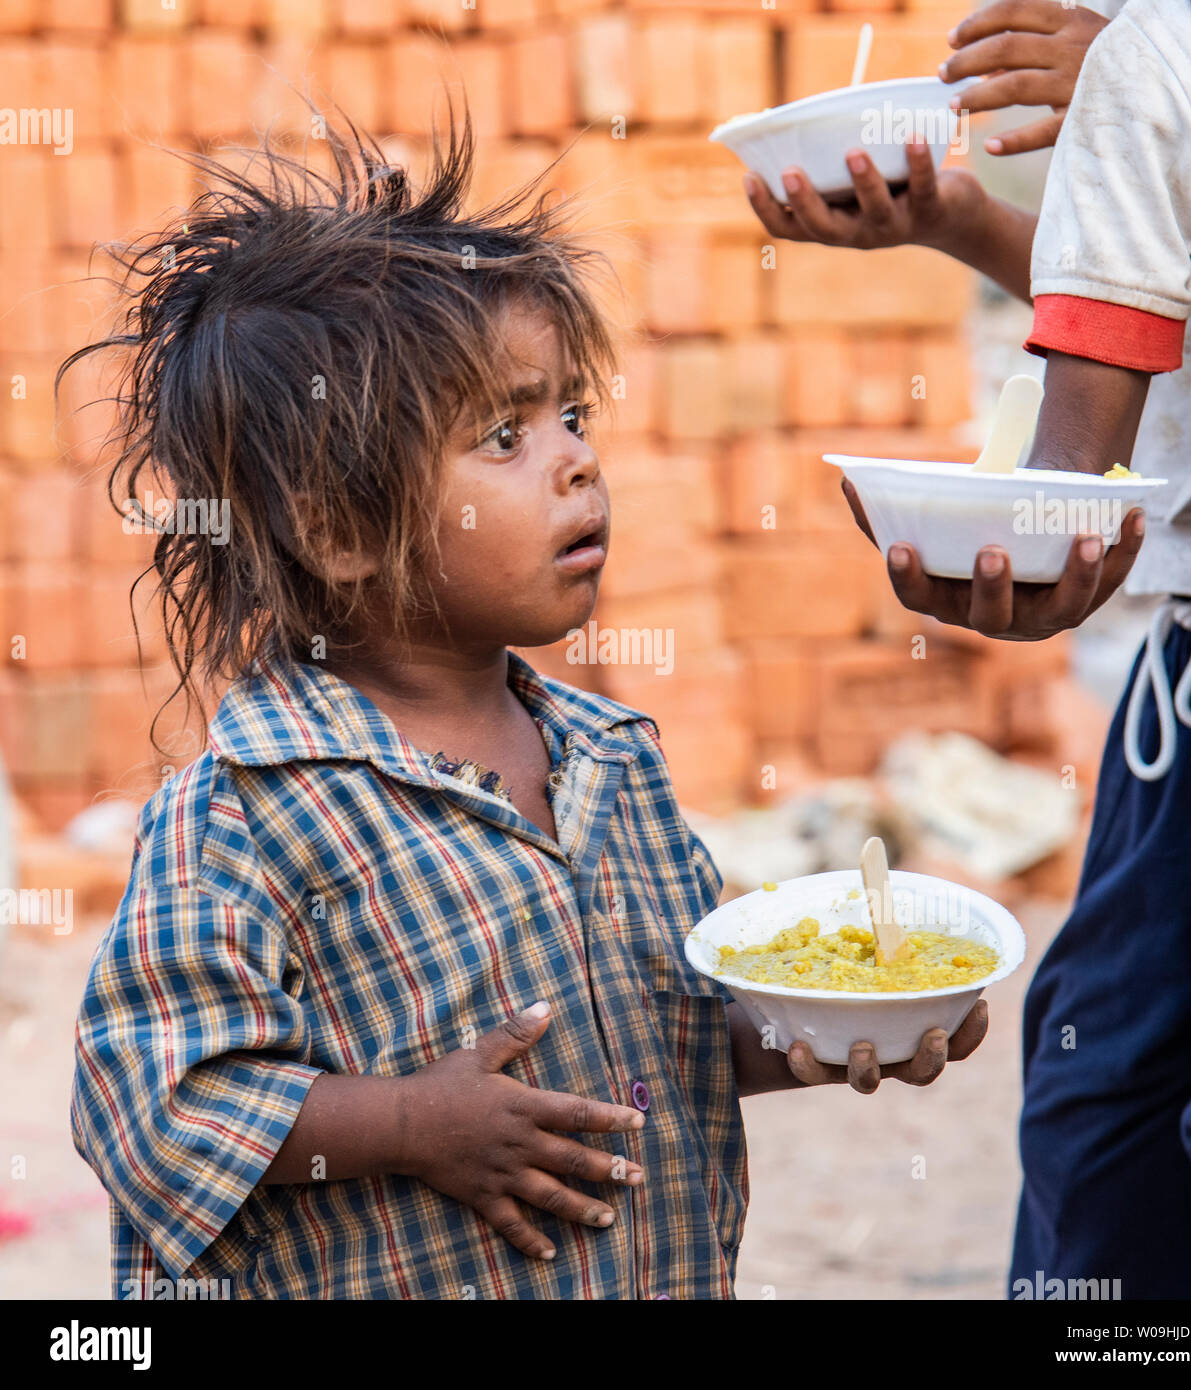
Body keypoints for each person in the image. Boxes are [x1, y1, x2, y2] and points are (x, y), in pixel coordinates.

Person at [64, 113, 986, 1301]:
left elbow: (682, 1024)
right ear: (340, 530)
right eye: (504, 434)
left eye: (573, 416)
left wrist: (844, 1024)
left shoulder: (612, 759)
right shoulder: (246, 815)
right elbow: (150, 1108)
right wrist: (408, 1124)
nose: (576, 461)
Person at [743, 0, 1191, 1298]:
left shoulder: (1171, 62)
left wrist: (1154, 105)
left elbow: (1075, 467)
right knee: (1104, 1099)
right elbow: (1161, 328)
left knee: (1182, 1132)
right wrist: (959, 216)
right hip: (1185, 685)